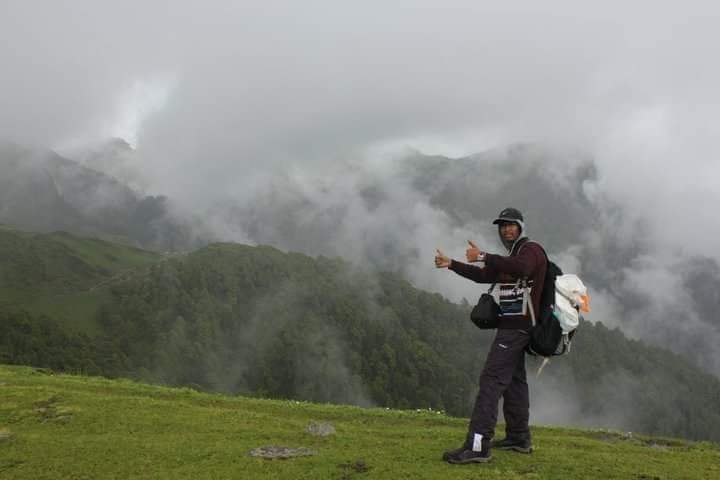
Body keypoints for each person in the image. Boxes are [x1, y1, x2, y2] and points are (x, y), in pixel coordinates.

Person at [434, 207, 547, 464]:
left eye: (511, 225)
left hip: (516, 329)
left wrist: (483, 254)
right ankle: (519, 437)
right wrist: (452, 264)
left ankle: (478, 446)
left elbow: (523, 268)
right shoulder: (511, 256)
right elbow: (484, 275)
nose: (506, 229)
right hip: (515, 328)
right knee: (515, 382)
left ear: (521, 227)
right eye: (502, 225)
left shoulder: (531, 250)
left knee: (491, 380)